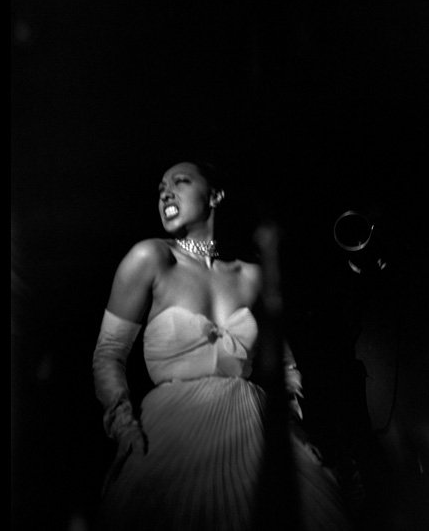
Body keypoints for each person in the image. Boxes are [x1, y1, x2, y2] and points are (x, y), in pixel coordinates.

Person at [92, 161, 351, 530]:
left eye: (180, 182)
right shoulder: (150, 258)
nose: (166, 193)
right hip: (174, 429)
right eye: (161, 188)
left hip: (253, 424)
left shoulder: (251, 275)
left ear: (214, 195)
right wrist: (123, 425)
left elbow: (285, 366)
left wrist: (292, 424)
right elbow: (109, 353)